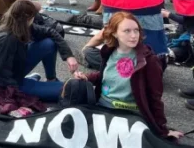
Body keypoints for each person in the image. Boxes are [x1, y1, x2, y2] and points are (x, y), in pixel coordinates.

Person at [73, 12, 183, 141]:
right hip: (102, 108)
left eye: (136, 30)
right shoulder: (108, 51)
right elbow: (107, 75)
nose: (133, 35)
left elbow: (155, 98)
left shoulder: (149, 60)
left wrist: (162, 130)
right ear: (114, 33)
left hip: (129, 114)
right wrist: (87, 77)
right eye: (127, 31)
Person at [0, 0, 78, 115]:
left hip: (15, 69)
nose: (34, 20)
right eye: (33, 17)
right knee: (71, 89)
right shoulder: (5, 39)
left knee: (48, 43)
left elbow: (51, 32)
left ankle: (51, 79)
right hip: (9, 83)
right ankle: (32, 83)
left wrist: (69, 56)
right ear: (27, 19)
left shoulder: (20, 24)